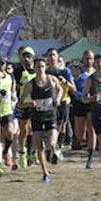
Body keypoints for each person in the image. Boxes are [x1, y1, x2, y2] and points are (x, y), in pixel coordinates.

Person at [19, 54, 64, 182]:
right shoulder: (30, 84)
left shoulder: (52, 79)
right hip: (37, 117)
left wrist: (58, 98)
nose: (40, 69)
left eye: (42, 66)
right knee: (39, 147)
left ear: (46, 67)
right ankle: (45, 173)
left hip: (51, 116)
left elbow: (60, 89)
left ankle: (55, 150)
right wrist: (29, 103)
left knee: (51, 143)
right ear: (34, 67)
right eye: (38, 67)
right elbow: (20, 103)